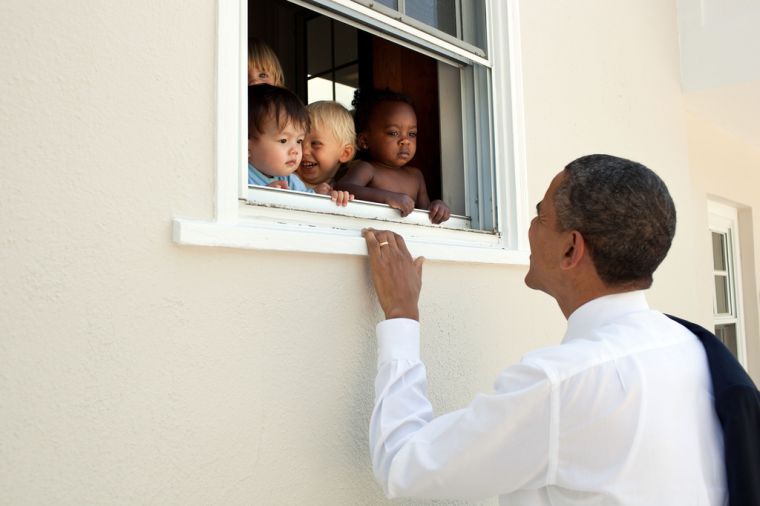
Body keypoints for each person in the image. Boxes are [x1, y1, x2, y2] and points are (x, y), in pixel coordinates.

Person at [362, 154, 726, 504]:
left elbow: (402, 464)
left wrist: (401, 313)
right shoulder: (692, 347)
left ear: (571, 249)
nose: (530, 229)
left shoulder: (562, 384)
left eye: (540, 217)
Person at [335, 89, 450, 224]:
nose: (405, 141)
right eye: (393, 133)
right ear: (365, 141)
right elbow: (342, 188)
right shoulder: (367, 169)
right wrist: (387, 198)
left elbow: (425, 213)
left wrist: (437, 207)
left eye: (412, 134)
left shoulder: (416, 176)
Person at [248, 84, 352, 206]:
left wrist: (324, 196)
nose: (296, 151)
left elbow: (309, 205)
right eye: (283, 141)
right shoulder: (238, 176)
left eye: (298, 141)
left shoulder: (289, 180)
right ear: (247, 147)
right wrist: (261, 197)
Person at [296, 101, 356, 199]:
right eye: (299, 141)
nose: (304, 151)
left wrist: (340, 200)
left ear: (345, 153)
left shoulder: (342, 188)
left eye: (315, 144)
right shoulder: (284, 180)